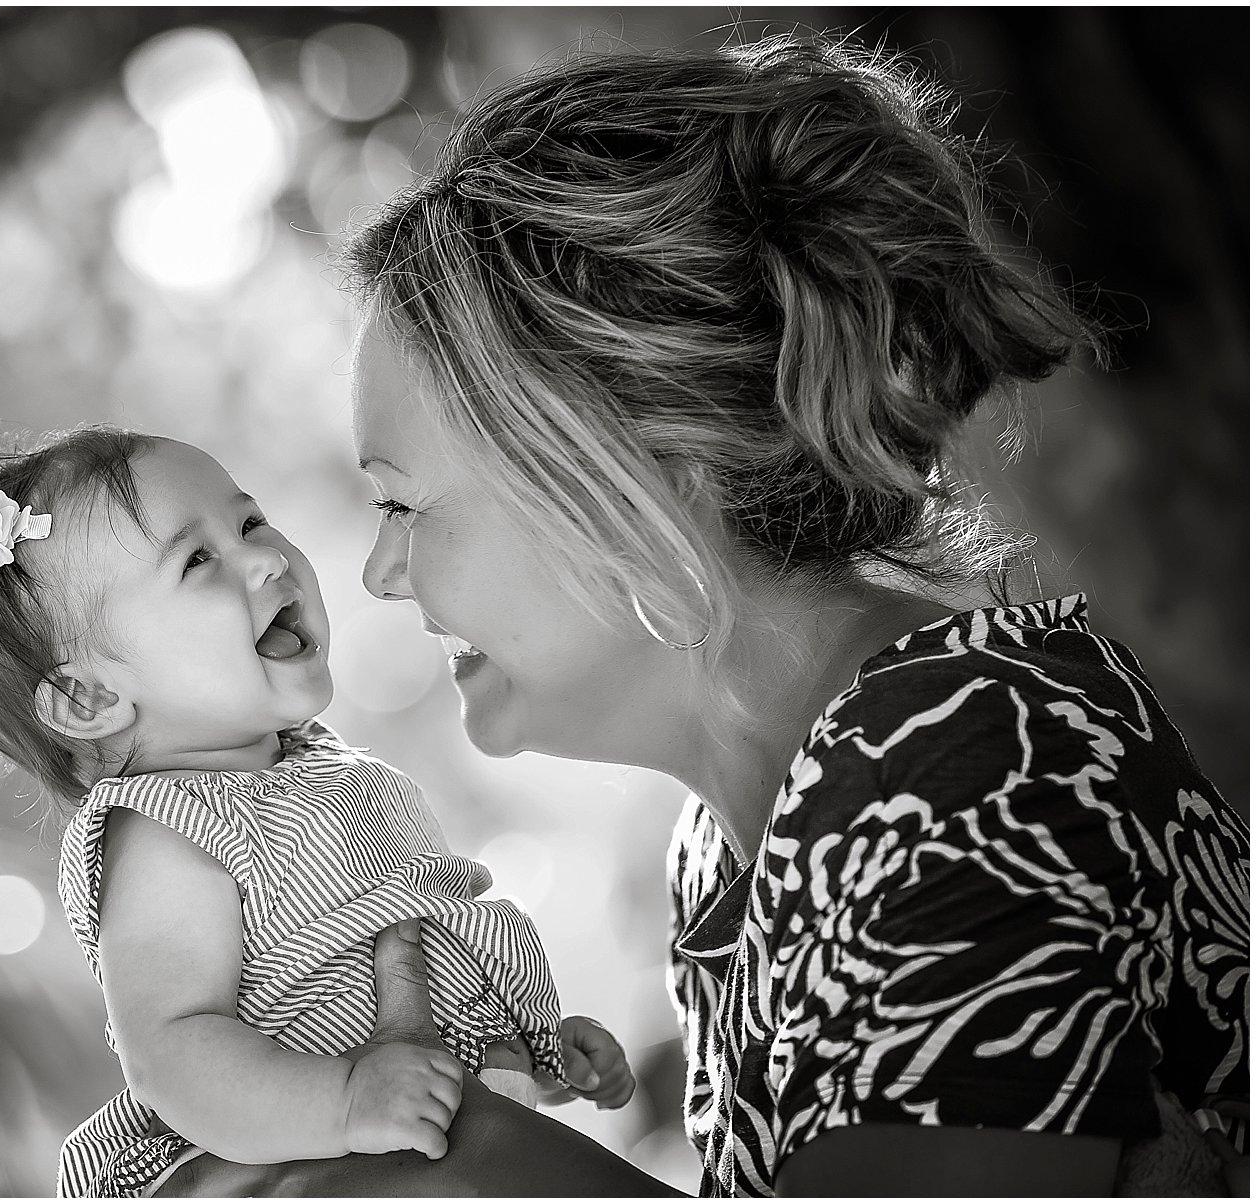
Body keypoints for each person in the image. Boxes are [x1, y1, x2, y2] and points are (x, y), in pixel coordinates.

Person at [157, 32, 1251, 1197]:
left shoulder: (970, 757)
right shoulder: (737, 848)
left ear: (634, 475)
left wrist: (463, 1157)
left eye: (404, 503)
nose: (378, 573)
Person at [0, 427, 637, 1198]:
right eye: (198, 561)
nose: (265, 558)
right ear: (88, 698)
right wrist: (346, 1102)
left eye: (251, 523)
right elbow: (172, 1049)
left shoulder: (325, 771)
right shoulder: (167, 830)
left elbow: (407, 952)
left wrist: (529, 1041)